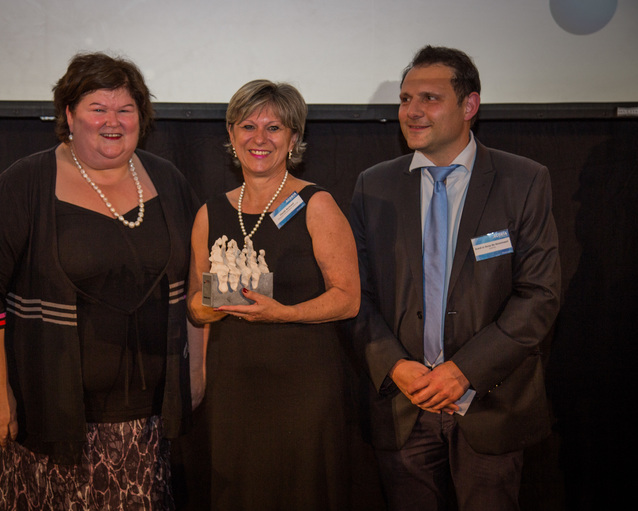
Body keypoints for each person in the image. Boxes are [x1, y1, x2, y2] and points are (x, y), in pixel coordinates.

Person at [0, 52, 203, 510]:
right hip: (48, 419)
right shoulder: (26, 183)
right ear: (69, 115)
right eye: (98, 108)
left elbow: (198, 283)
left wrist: (197, 370)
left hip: (144, 424)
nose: (113, 121)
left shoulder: (168, 181)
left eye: (125, 109)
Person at [347, 46, 561, 511]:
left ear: (469, 106)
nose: (412, 111)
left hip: (491, 404)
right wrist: (396, 367)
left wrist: (463, 371)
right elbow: (355, 295)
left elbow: (539, 296)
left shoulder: (523, 181)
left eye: (430, 98)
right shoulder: (373, 186)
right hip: (404, 406)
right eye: (405, 99)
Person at [187, 79, 360, 510]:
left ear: (293, 138)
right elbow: (194, 306)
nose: (259, 138)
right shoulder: (210, 212)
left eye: (274, 128)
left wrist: (284, 313)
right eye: (248, 126)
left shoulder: (316, 204)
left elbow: (348, 298)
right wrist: (215, 305)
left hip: (304, 390)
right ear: (231, 134)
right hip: (234, 389)